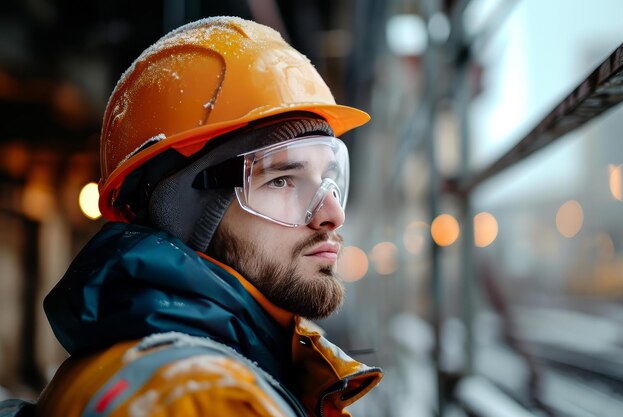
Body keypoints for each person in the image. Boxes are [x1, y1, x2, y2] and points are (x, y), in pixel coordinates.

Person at [32, 16, 381, 417]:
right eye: (283, 180)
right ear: (187, 212)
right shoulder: (205, 400)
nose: (332, 214)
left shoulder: (153, 371)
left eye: (330, 179)